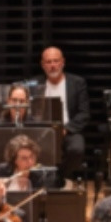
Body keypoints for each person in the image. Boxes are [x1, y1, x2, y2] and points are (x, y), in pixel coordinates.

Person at [39, 46, 90, 176]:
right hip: (42, 131)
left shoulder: (77, 83)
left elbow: (84, 113)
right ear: (43, 65)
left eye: (56, 61)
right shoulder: (36, 84)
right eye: (48, 62)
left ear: (63, 62)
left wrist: (65, 129)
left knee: (77, 149)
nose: (53, 65)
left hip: (68, 130)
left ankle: (61, 176)